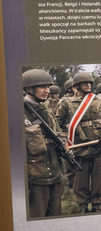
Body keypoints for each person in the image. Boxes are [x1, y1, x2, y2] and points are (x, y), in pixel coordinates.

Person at [56, 71, 101, 213]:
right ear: (77, 85)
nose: (88, 85)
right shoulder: (67, 103)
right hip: (79, 147)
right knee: (80, 179)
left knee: (98, 178)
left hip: (98, 145)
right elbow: (57, 124)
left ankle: (97, 204)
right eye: (84, 83)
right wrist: (66, 137)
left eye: (90, 83)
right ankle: (82, 204)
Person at [22, 68, 68, 218]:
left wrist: (65, 147)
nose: (47, 91)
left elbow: (57, 132)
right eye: (43, 87)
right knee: (37, 216)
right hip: (36, 176)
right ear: (29, 89)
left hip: (55, 171)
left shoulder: (45, 108)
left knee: (55, 215)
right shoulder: (19, 112)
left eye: (48, 87)